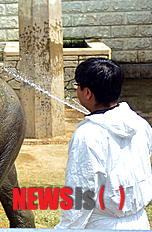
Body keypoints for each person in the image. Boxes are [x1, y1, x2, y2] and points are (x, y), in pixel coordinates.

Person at [55, 57, 152, 229]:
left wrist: (65, 229)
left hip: (101, 226)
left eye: (78, 86)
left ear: (87, 92)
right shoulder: (140, 124)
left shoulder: (87, 135)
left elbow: (79, 197)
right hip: (140, 223)